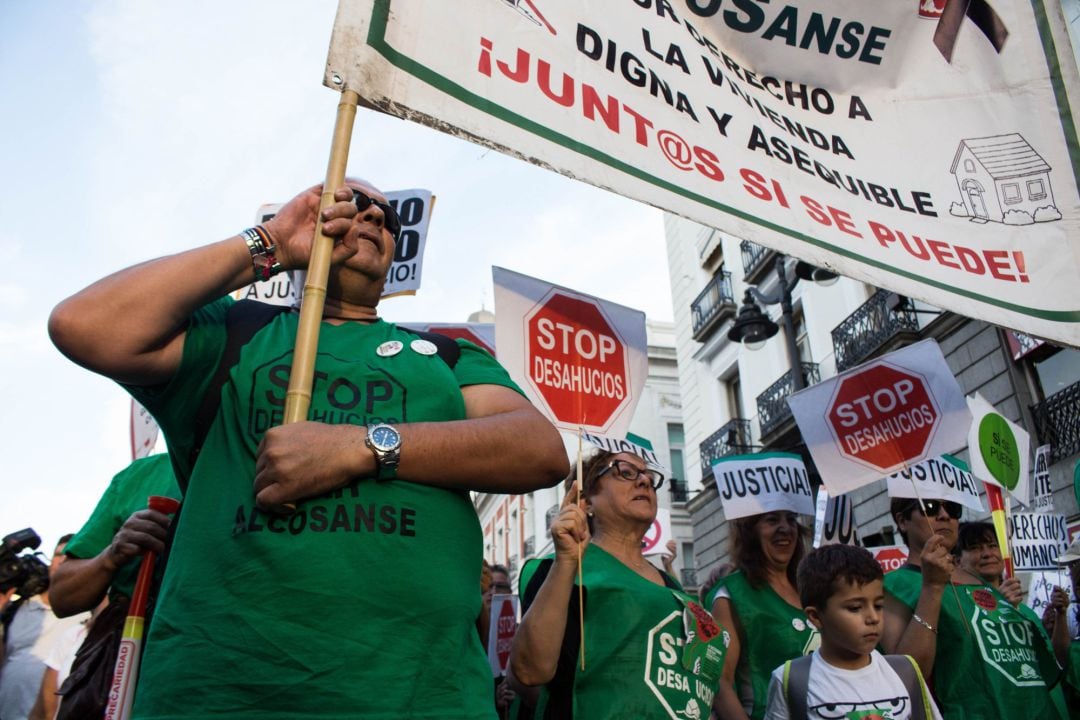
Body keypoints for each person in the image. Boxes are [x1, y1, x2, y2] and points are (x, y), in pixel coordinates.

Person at [49, 179, 569, 719]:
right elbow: (82, 325)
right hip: (221, 695)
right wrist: (269, 242)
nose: (371, 219)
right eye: (351, 205)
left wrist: (360, 447)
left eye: (386, 220)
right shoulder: (232, 333)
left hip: (422, 695)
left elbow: (538, 448)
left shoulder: (445, 354)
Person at [510, 451, 728, 719]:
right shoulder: (560, 568)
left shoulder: (672, 586)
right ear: (586, 501)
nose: (644, 481)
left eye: (648, 475)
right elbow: (528, 672)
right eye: (625, 472)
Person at [882, 498, 1063, 719]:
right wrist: (933, 587)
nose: (944, 515)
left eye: (953, 508)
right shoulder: (894, 586)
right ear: (902, 521)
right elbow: (906, 676)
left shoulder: (982, 583)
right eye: (930, 507)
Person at [763, 544, 942, 720]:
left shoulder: (904, 672)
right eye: (855, 608)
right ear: (816, 617)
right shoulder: (792, 681)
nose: (873, 617)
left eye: (879, 606)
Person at [704, 511, 817, 720]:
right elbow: (719, 682)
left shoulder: (813, 588)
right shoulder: (731, 594)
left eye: (791, 519)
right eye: (772, 520)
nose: (785, 529)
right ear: (749, 531)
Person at [0, 537, 89, 720]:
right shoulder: (18, 607)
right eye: (58, 554)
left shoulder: (88, 616)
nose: (63, 560)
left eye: (72, 556)